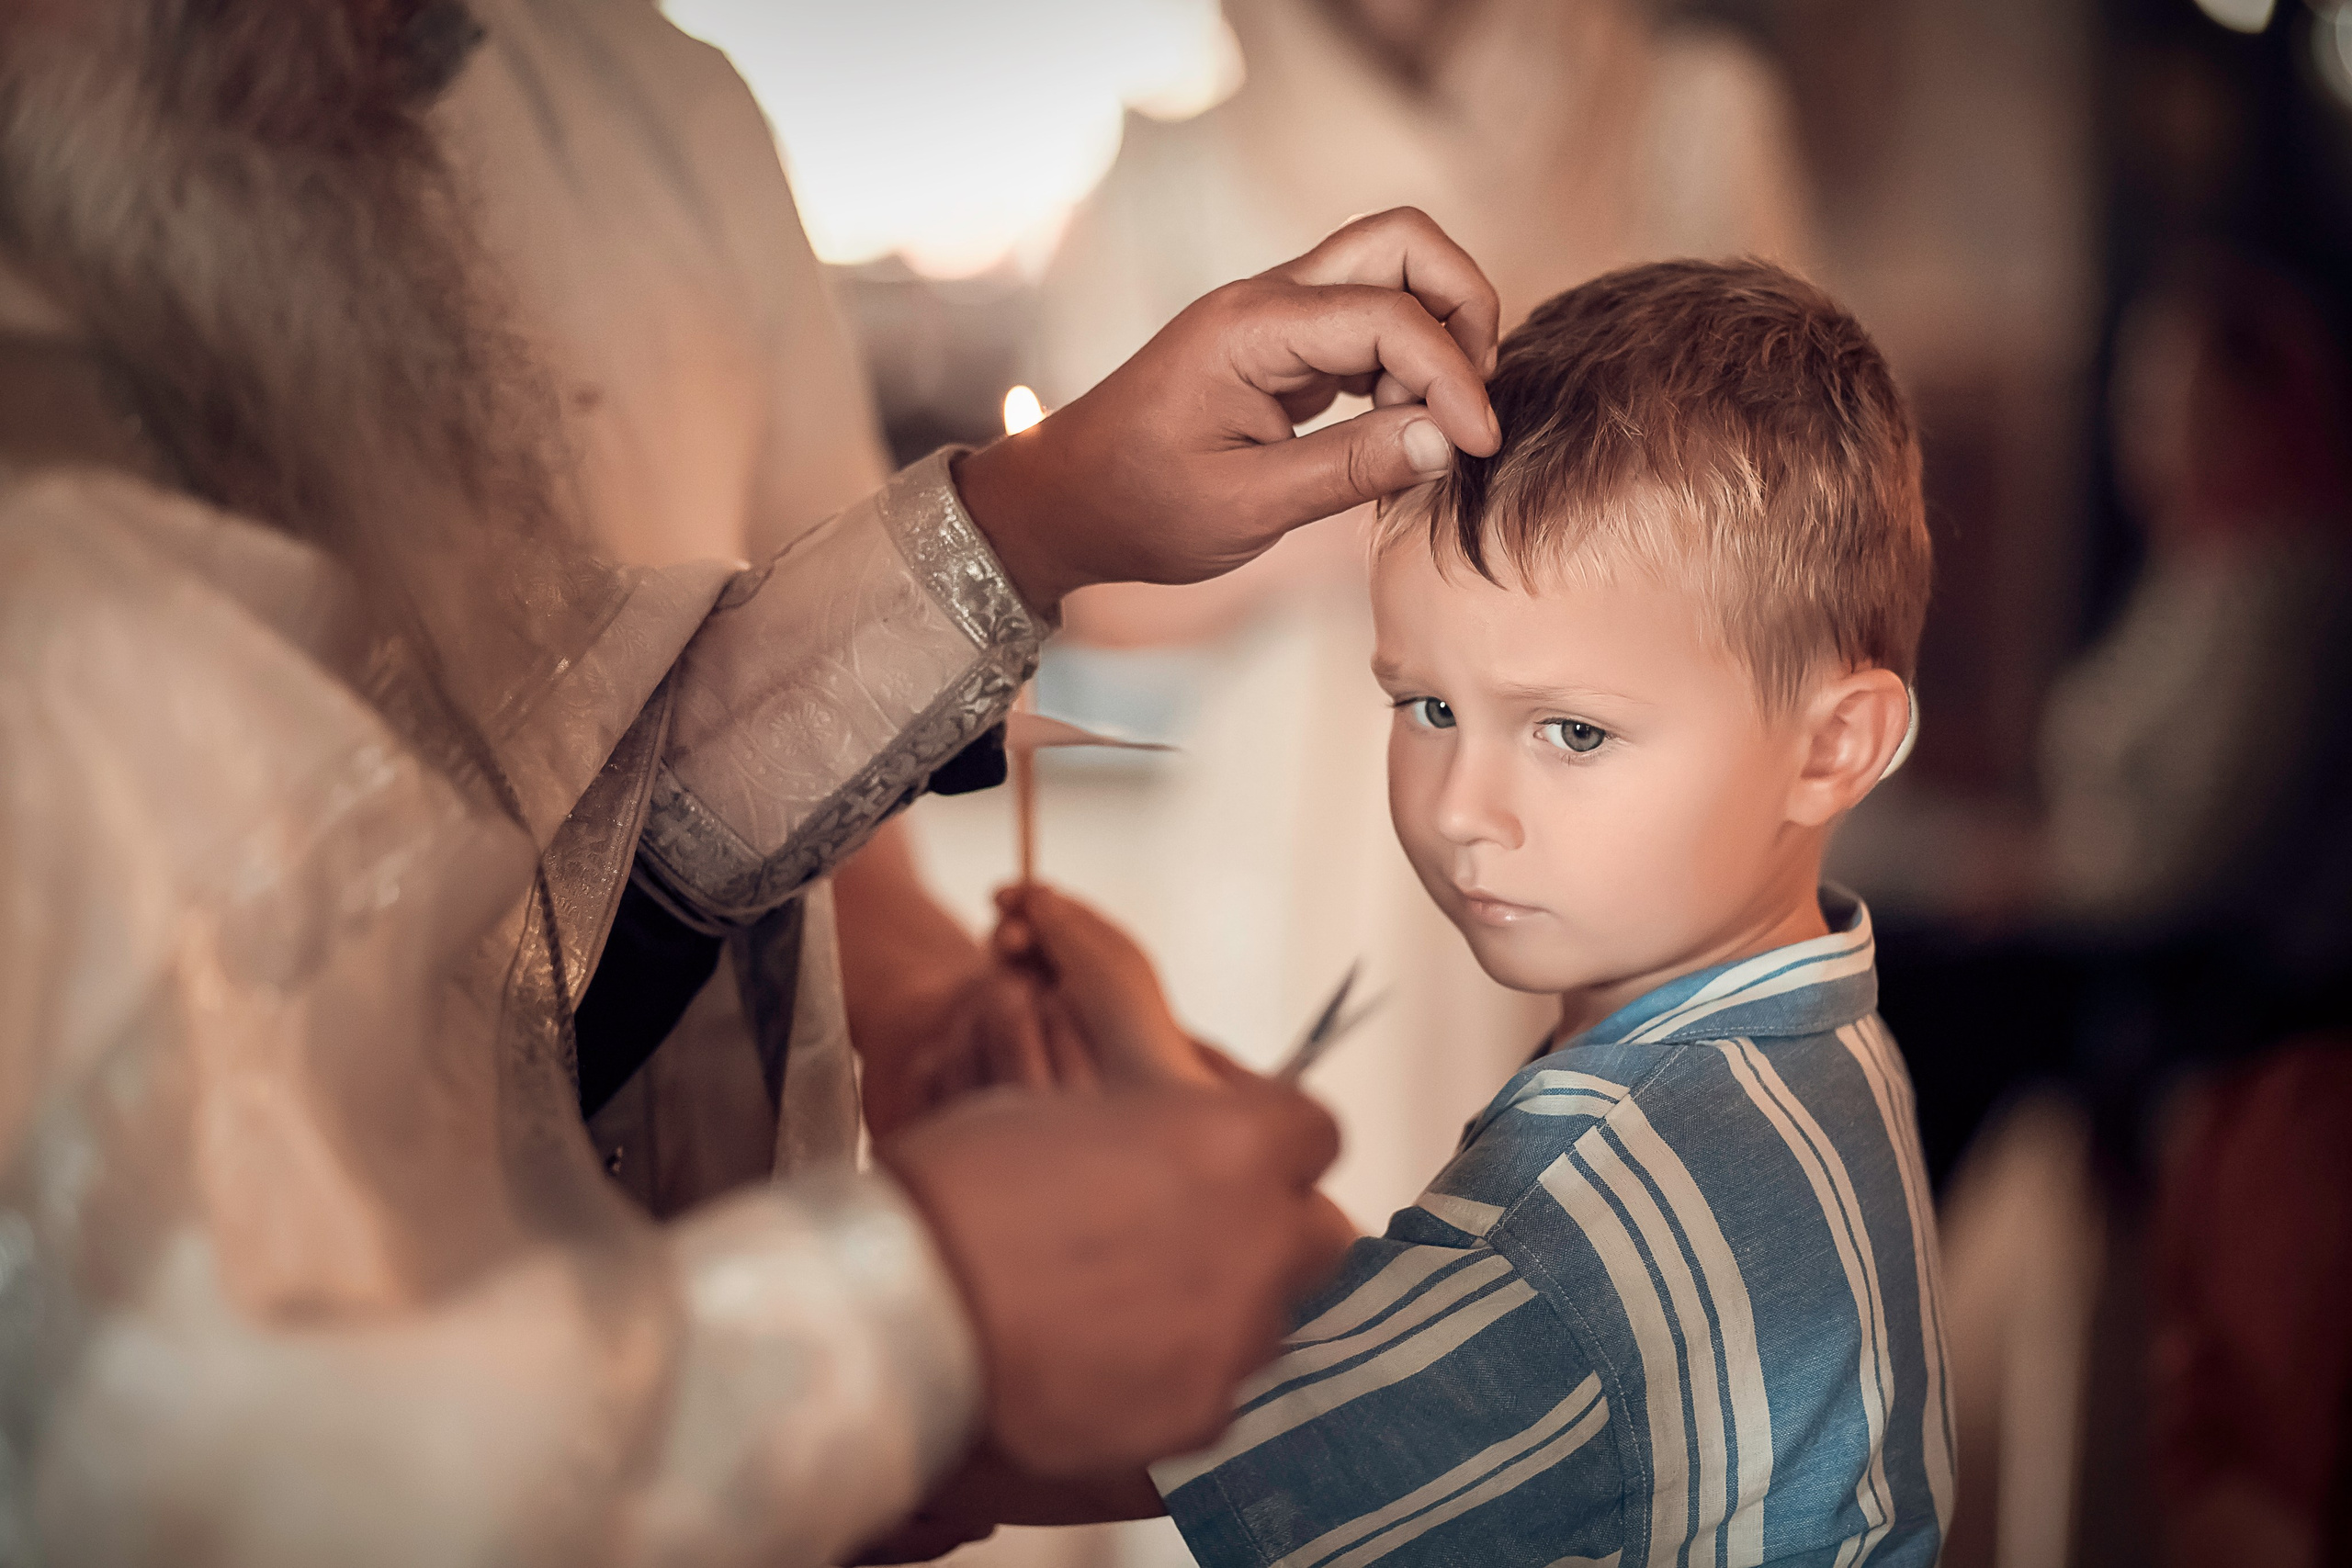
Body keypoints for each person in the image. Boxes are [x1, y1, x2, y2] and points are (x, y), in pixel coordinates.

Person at [0, 2, 1507, 1562]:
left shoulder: (648, 111)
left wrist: (1031, 523)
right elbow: (195, 1462)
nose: (438, 40)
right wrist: (927, 1314)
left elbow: (520, 866)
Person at [921, 260, 1953, 1565]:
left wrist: (886, 1424)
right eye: (1428, 708)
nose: (1465, 806)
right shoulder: (1796, 1053)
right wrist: (1155, 1062)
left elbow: (1138, 1426)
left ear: (1831, 749)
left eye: (1573, 732)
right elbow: (1417, 1329)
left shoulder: (1597, 1193)